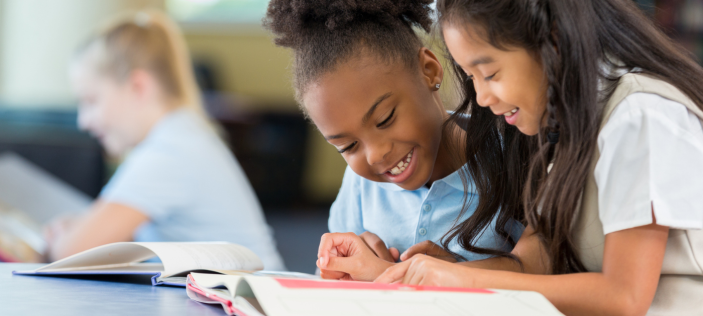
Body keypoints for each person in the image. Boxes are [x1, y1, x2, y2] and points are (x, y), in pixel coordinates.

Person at [371, 0, 703, 314]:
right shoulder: (566, 123)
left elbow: (625, 297)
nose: (482, 97)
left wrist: (466, 279)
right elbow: (533, 266)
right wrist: (444, 272)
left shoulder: (638, 116)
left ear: (553, 42)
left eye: (490, 74)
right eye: (472, 78)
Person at [263, 0, 523, 281]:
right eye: (348, 147)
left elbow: (543, 272)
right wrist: (339, 273)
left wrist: (451, 273)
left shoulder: (514, 158)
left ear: (429, 71)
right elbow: (329, 283)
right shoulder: (360, 187)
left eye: (385, 119)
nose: (375, 155)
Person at [43, 10, 286, 271]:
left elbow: (70, 254)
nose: (83, 121)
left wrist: (58, 236)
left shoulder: (170, 151)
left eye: (91, 101)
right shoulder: (181, 133)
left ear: (138, 86)